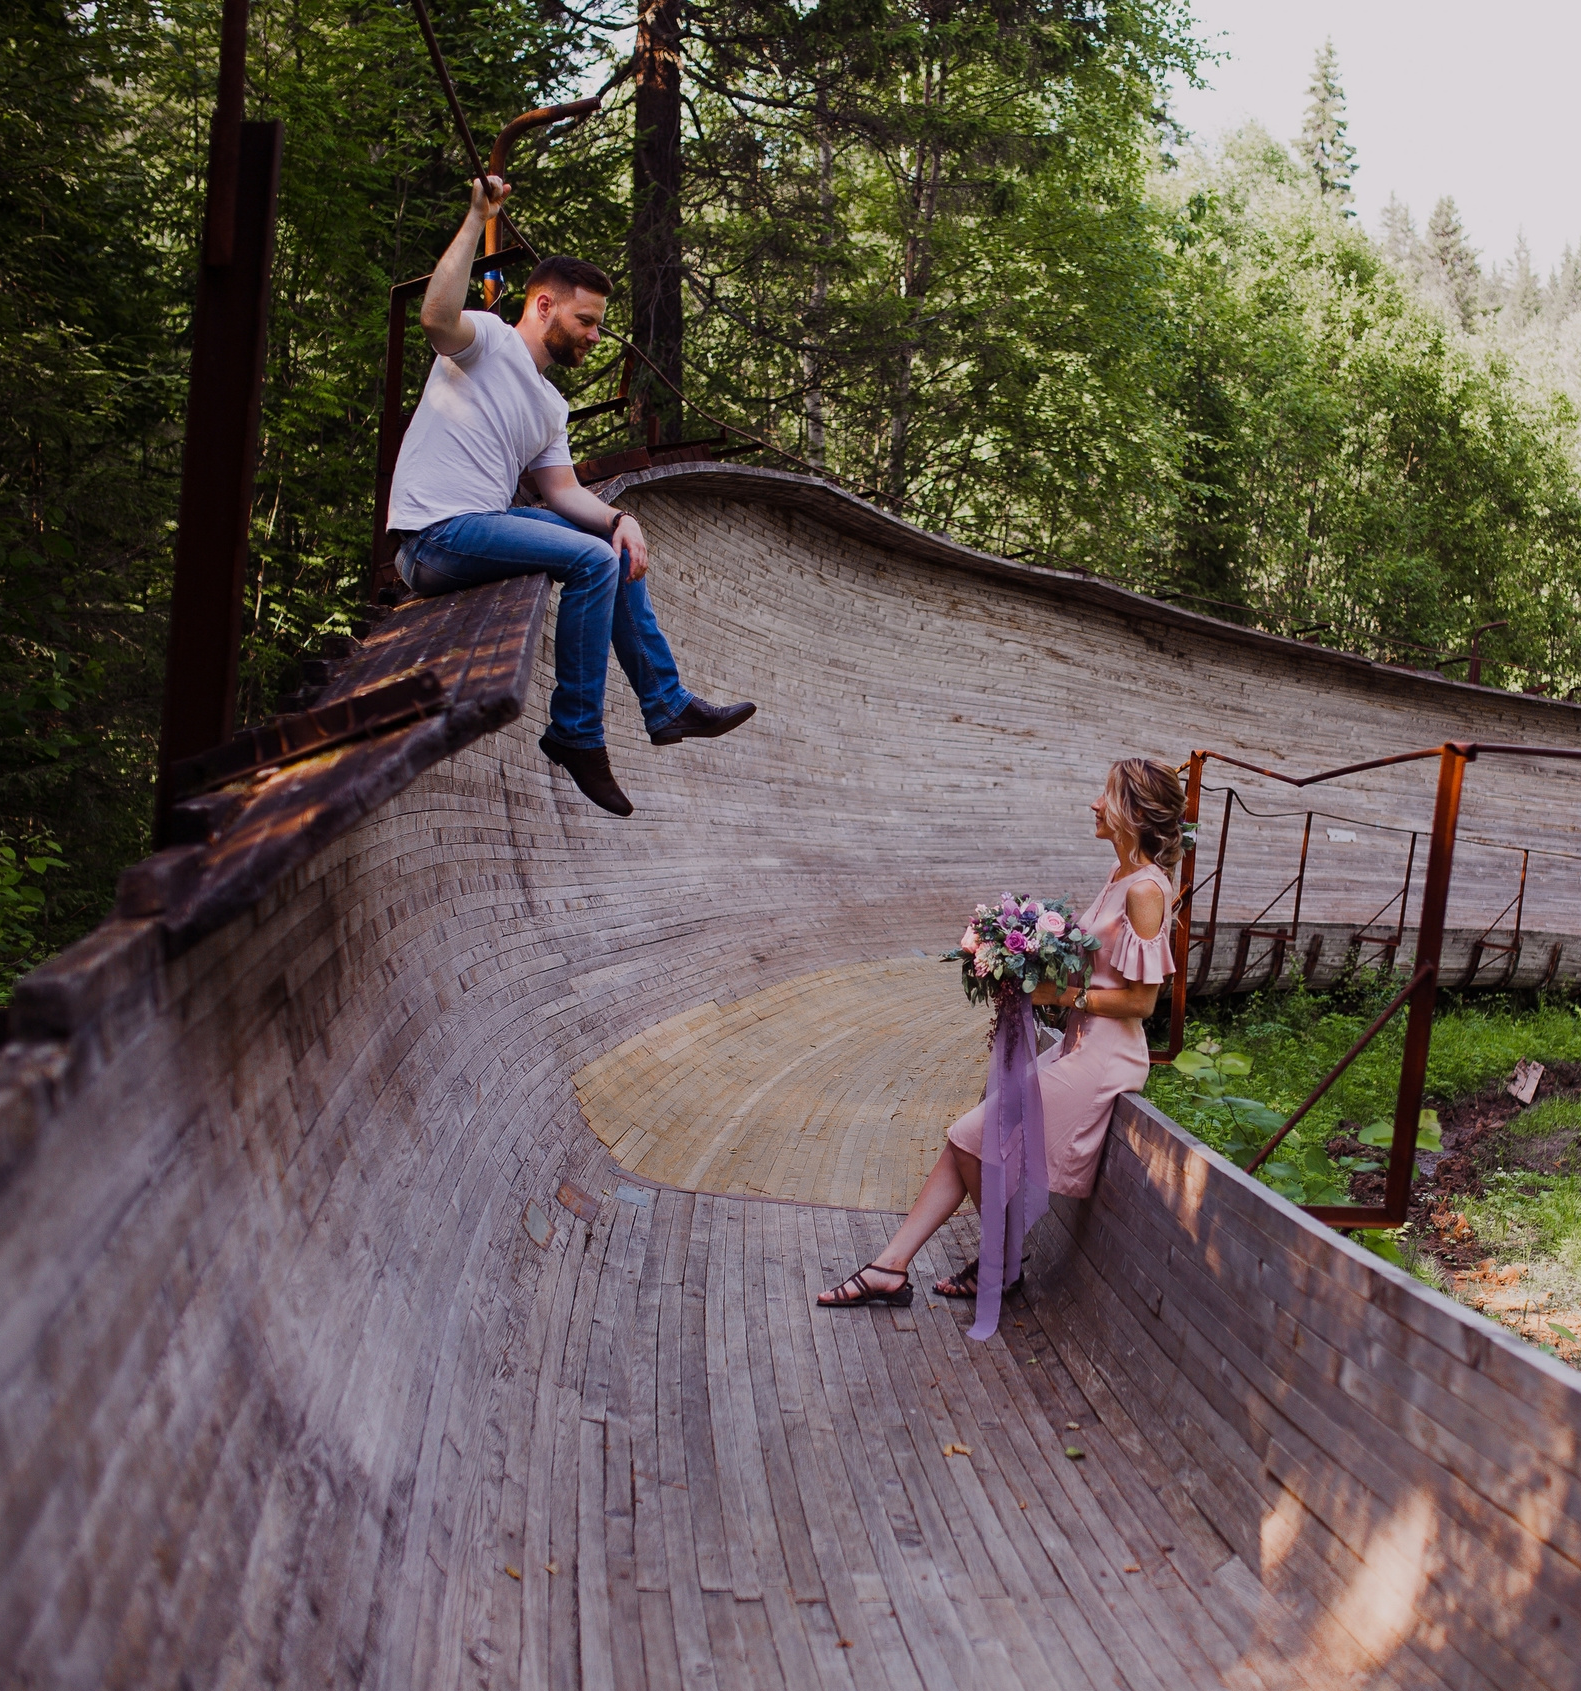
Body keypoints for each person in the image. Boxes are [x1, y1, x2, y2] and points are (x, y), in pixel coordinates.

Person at [384, 175, 754, 816]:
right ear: (545, 306)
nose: (594, 336)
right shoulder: (486, 341)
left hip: (476, 529)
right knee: (589, 562)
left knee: (602, 541)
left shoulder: (550, 403)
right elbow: (434, 316)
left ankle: (664, 704)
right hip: (433, 537)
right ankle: (576, 734)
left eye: (599, 326)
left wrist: (621, 516)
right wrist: (476, 218)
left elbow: (562, 492)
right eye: (586, 320)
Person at [817, 759, 1185, 1308]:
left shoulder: (1146, 892)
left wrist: (1059, 995)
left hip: (1106, 1062)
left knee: (971, 1136)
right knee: (959, 1142)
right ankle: (889, 1267)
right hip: (1078, 1046)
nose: (1094, 805)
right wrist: (1025, 963)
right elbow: (1095, 967)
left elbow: (1143, 1001)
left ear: (1132, 811)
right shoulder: (1119, 878)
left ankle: (1003, 1263)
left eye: (1105, 795)